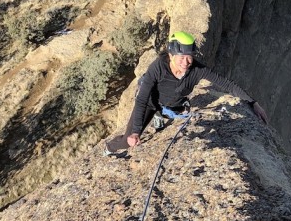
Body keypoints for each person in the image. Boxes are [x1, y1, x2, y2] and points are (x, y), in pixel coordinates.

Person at [104, 31, 267, 155]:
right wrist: (136, 131)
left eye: (189, 57)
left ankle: (161, 115)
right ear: (171, 55)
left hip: (173, 104)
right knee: (127, 142)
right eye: (181, 57)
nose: (186, 62)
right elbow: (141, 99)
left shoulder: (197, 69)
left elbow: (226, 83)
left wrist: (252, 102)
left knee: (174, 108)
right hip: (150, 103)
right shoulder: (158, 67)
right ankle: (109, 148)